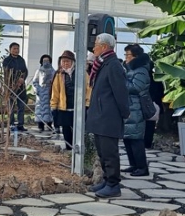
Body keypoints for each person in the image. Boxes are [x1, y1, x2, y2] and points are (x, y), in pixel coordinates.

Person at [86, 33, 130, 198]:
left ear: (104, 47)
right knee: (102, 152)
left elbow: (121, 92)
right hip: (100, 116)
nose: (93, 48)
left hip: (108, 117)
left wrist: (124, 113)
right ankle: (106, 180)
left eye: (96, 45)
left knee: (109, 153)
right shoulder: (102, 64)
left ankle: (113, 184)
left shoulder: (113, 65)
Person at [50, 50, 90, 151]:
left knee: (79, 129)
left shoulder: (82, 73)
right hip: (64, 107)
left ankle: (79, 149)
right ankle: (69, 149)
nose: (65, 63)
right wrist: (54, 106)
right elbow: (55, 91)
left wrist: (87, 103)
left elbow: (88, 88)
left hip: (79, 107)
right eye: (63, 61)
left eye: (67, 61)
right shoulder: (59, 74)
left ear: (73, 62)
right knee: (66, 129)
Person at [122, 44, 151, 177]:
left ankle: (142, 167)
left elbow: (136, 87)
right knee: (128, 138)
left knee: (136, 139)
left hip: (136, 107)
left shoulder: (141, 70)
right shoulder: (131, 69)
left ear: (136, 56)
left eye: (128, 55)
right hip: (130, 106)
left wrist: (121, 82)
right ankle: (133, 165)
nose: (126, 57)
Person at [2, 42, 28, 131]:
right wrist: (16, 80)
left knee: (21, 106)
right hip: (11, 86)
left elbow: (25, 71)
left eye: (17, 48)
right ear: (10, 50)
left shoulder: (21, 60)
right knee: (11, 106)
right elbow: (7, 72)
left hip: (21, 87)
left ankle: (20, 124)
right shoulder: (7, 60)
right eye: (14, 48)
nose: (16, 50)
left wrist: (22, 79)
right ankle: (11, 124)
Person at [143, 55, 165, 150]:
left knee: (142, 125)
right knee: (150, 125)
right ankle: (148, 143)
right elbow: (161, 92)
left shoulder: (142, 77)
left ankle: (142, 143)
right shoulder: (156, 78)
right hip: (153, 104)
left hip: (144, 104)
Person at [31, 54, 55, 132]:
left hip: (50, 92)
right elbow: (35, 81)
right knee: (40, 108)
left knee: (49, 109)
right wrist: (37, 89)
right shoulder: (38, 71)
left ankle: (49, 124)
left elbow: (55, 82)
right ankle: (40, 125)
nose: (46, 62)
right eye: (44, 60)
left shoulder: (53, 71)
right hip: (41, 92)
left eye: (47, 60)